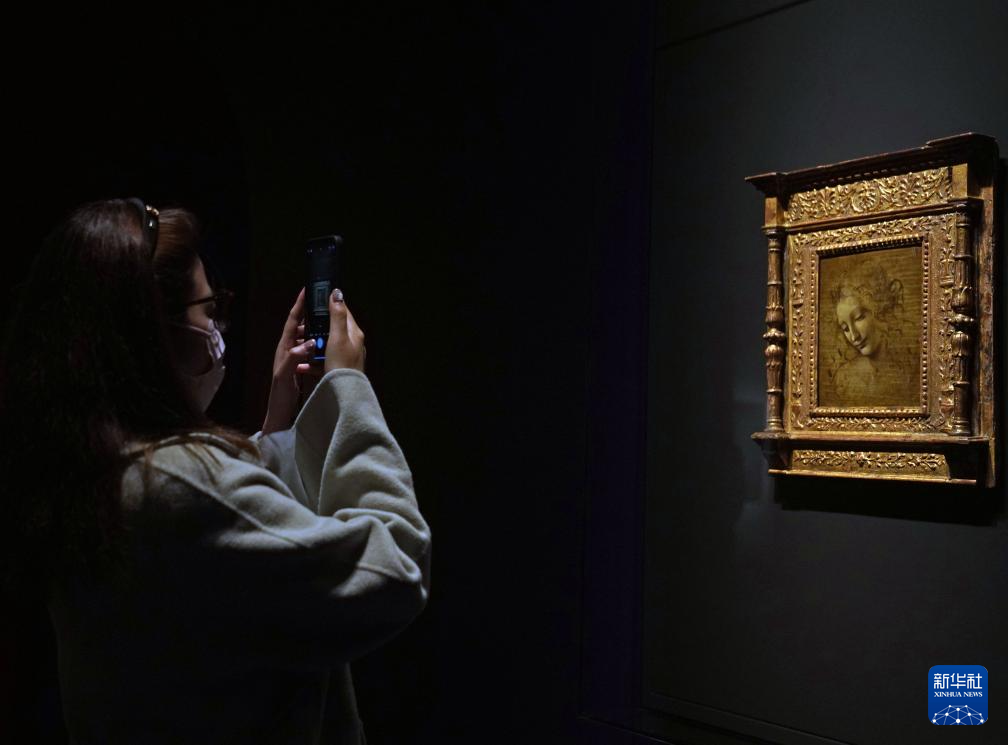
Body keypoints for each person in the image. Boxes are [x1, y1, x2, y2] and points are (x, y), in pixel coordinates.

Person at [0, 198, 431, 744]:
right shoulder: (179, 487)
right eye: (209, 308)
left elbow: (229, 562)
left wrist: (277, 422)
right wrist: (350, 390)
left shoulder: (83, 473)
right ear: (153, 333)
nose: (219, 326)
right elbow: (396, 569)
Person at [826, 256, 915, 406]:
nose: (854, 336)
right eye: (845, 328)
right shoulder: (844, 379)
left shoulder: (908, 371)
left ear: (879, 310)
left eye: (859, 318)